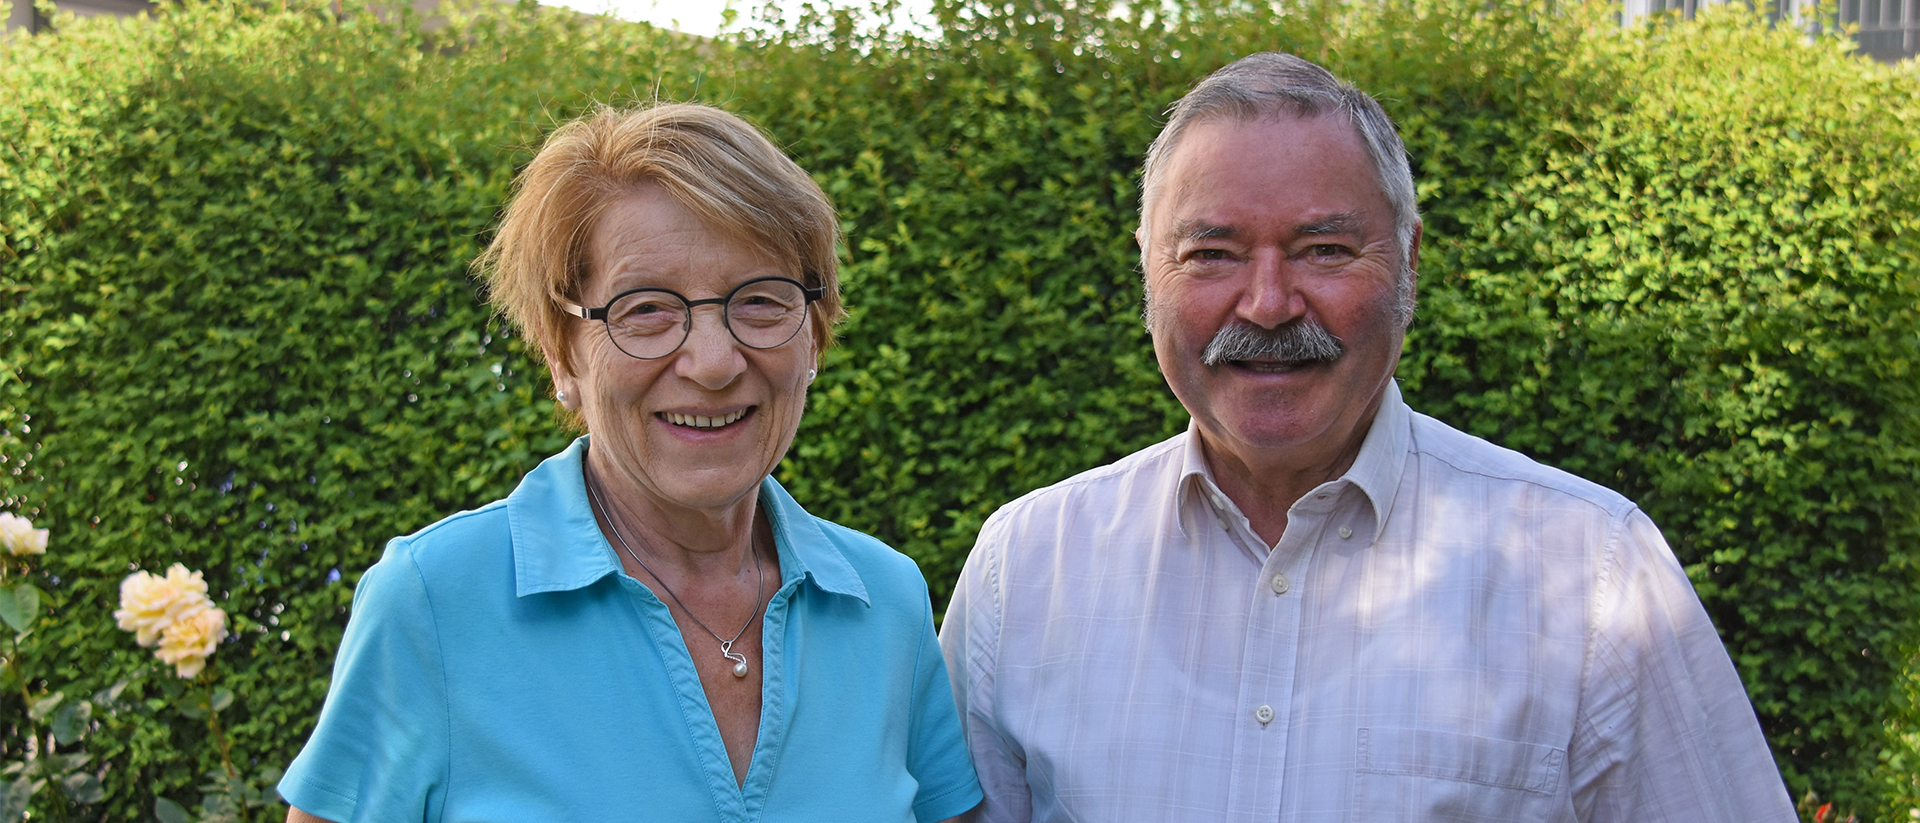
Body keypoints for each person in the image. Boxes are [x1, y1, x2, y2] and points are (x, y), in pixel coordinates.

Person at [938, 52, 1796, 822]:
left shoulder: (1597, 574)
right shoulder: (1027, 570)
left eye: (1323, 248)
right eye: (1212, 254)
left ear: (1409, 261)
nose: (1267, 304)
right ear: (1147, 270)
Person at [279, 103, 982, 823]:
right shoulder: (435, 600)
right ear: (562, 354)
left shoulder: (886, 602)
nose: (712, 363)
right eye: (645, 308)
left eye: (761, 301)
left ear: (813, 338)